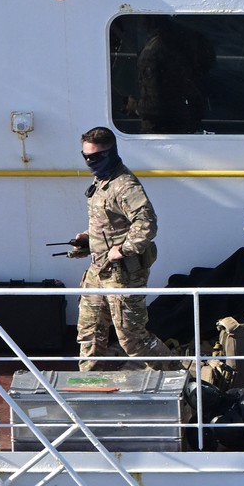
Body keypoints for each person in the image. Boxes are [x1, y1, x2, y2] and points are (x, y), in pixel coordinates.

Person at [69, 127, 175, 370]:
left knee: (133, 339)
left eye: (95, 157)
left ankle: (178, 379)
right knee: (90, 334)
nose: (89, 162)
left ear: (111, 153)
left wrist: (124, 249)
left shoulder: (125, 185)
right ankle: (89, 390)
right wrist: (89, 240)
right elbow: (112, 223)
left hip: (123, 275)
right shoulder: (101, 181)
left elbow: (147, 223)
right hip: (98, 271)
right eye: (85, 156)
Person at [135, 18, 215, 133]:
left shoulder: (153, 52)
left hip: (162, 127)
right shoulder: (184, 41)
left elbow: (154, 105)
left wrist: (135, 107)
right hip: (188, 116)